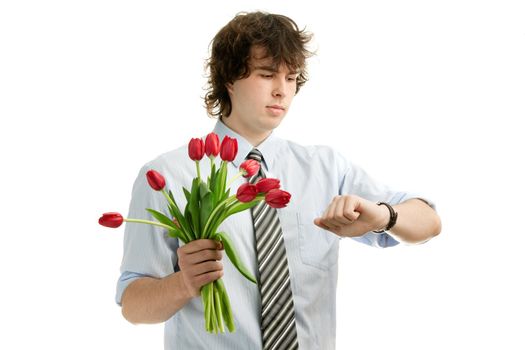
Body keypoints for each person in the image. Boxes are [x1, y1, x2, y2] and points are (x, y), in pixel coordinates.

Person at [116, 11, 441, 350]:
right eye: (267, 74)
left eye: (291, 78)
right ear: (229, 78)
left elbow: (429, 222)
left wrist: (383, 216)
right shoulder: (169, 175)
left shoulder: (325, 168)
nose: (281, 91)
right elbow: (132, 303)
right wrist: (184, 283)